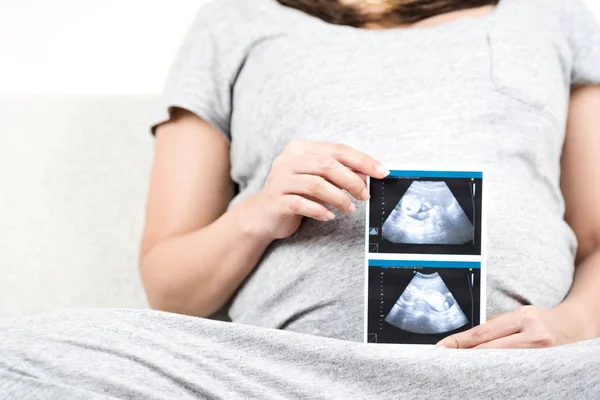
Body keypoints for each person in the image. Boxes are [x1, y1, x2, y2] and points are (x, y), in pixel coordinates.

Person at [2, 0, 600, 398]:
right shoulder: (237, 19)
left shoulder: (549, 12)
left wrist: (573, 325)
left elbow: (598, 238)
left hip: (513, 376)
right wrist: (257, 214)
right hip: (278, 376)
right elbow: (169, 286)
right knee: (20, 359)